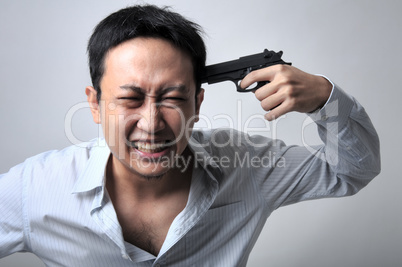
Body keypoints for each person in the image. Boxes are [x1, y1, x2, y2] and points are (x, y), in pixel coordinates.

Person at [0, 4, 380, 267]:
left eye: (172, 98)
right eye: (130, 99)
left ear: (197, 103)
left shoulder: (248, 166)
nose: (151, 124)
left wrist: (325, 99)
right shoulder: (37, 188)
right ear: (95, 104)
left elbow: (351, 170)